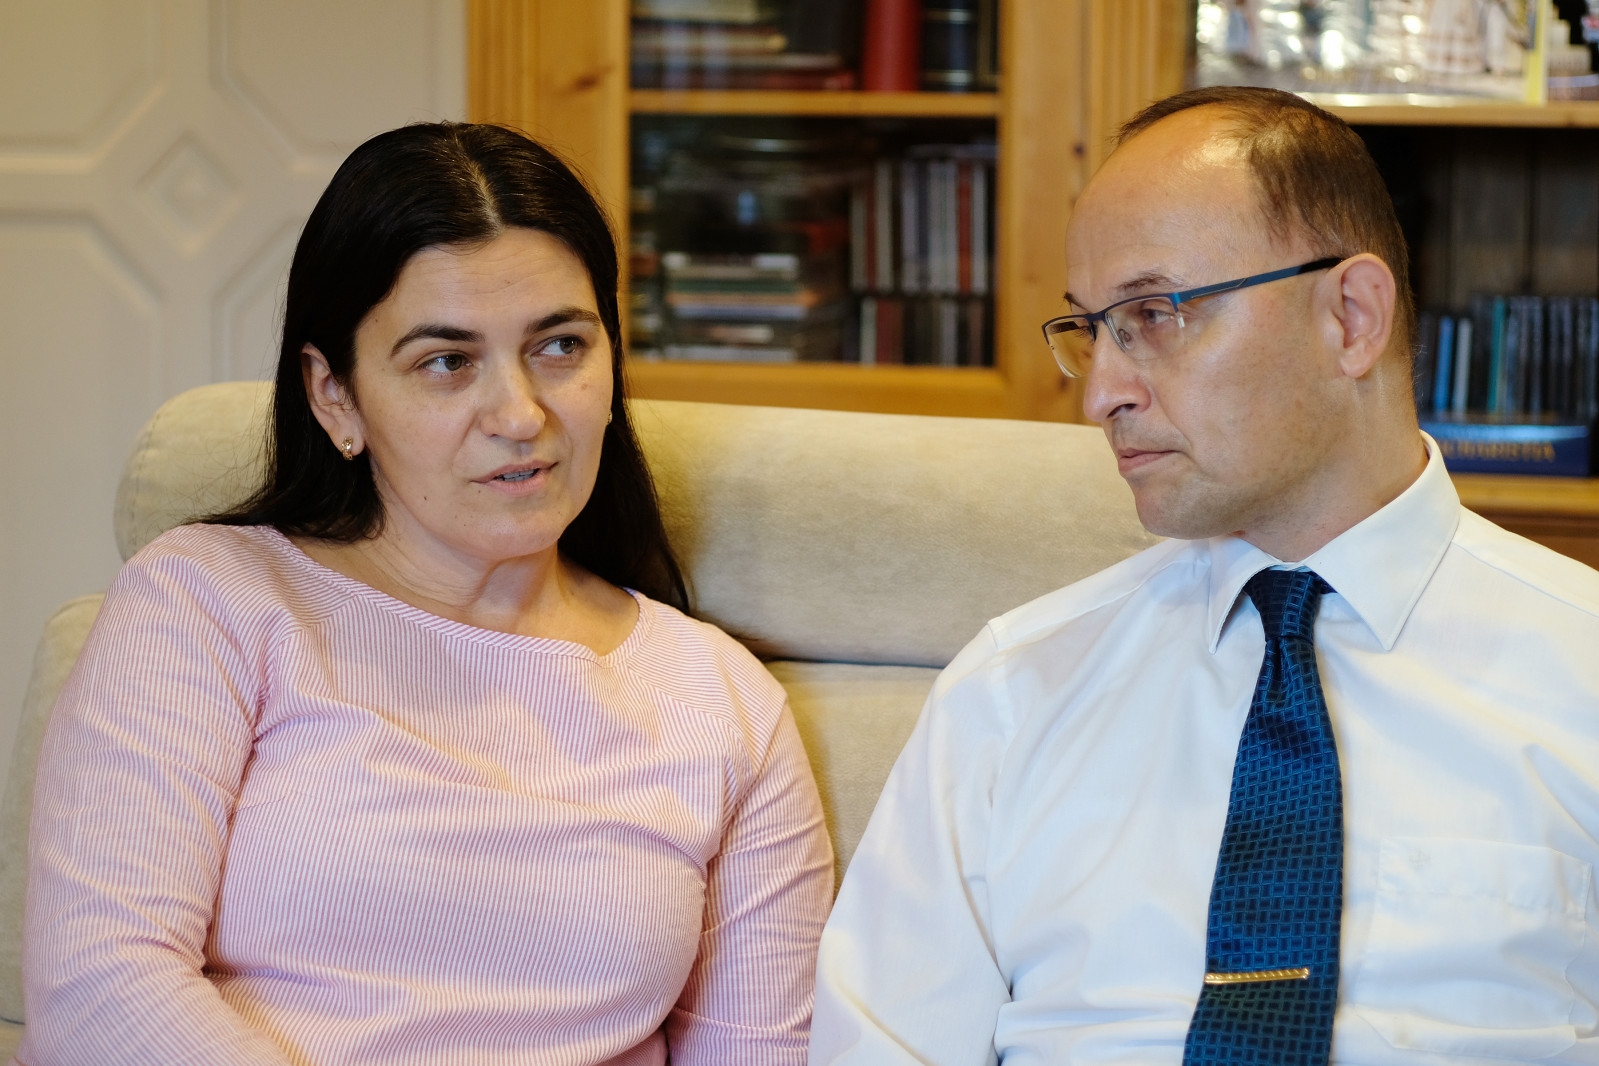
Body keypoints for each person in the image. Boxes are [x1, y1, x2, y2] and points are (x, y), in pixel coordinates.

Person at [809, 86, 1599, 1064]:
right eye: (1091, 330)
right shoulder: (1009, 692)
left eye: (1154, 314)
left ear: (1350, 317)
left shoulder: (1581, 669)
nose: (1100, 393)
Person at [19, 122, 832, 1066]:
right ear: (334, 395)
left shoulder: (725, 704)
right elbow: (100, 988)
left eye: (560, 346)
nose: (520, 416)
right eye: (446, 362)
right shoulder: (207, 602)